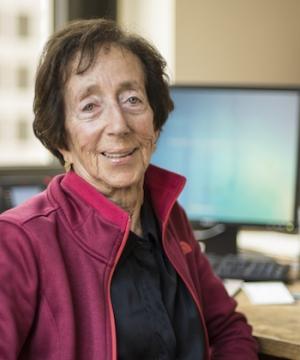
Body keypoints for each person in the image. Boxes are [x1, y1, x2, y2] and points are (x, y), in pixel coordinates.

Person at [0, 18, 258, 359]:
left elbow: (227, 329)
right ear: (61, 140)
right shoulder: (17, 242)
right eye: (90, 107)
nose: (119, 125)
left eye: (132, 99)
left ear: (155, 118)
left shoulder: (169, 218)